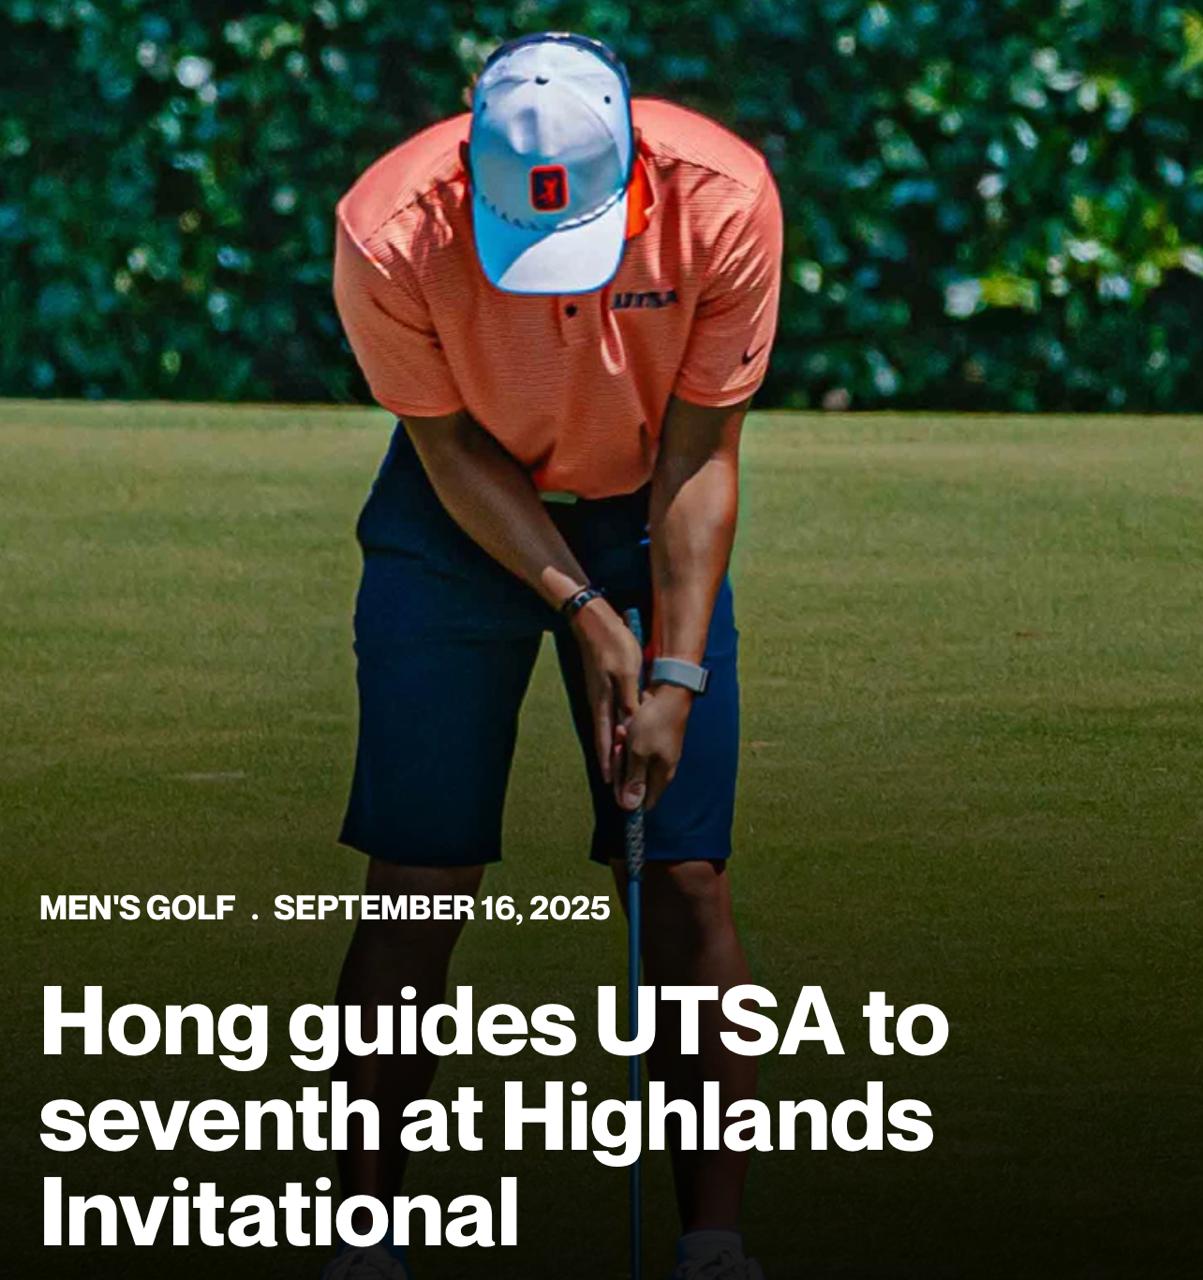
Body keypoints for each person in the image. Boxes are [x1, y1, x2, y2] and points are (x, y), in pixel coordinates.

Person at [325, 31, 782, 1280]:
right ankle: (366, 1238)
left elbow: (702, 457)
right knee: (418, 873)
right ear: (470, 169)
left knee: (682, 874)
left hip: (650, 500)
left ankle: (714, 1242)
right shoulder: (388, 227)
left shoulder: (725, 198)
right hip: (454, 508)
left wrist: (672, 670)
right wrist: (585, 613)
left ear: (631, 170)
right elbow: (446, 449)